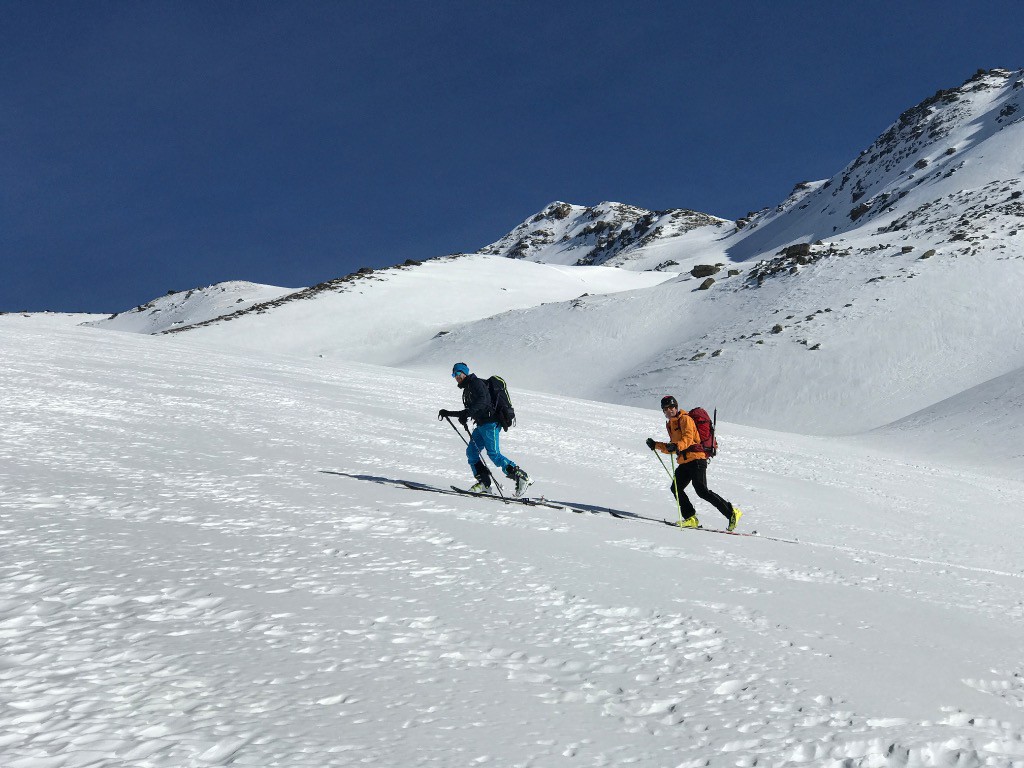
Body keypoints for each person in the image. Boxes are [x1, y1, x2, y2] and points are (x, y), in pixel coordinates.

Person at [646, 395, 742, 531]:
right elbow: (673, 446)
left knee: (702, 491)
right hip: (685, 461)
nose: (669, 410)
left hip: (697, 459)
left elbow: (688, 439)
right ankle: (691, 518)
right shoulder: (671, 424)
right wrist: (656, 445)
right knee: (676, 489)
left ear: (676, 407)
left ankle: (732, 512)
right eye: (665, 409)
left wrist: (677, 446)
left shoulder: (685, 419)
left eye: (671, 407)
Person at [438, 362, 533, 497]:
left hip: (491, 424)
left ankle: (522, 477)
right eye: (454, 375)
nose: (456, 377)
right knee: (471, 453)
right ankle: (484, 483)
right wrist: (449, 413)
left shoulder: (475, 383)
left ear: (464, 373)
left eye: (458, 374)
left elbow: (483, 401)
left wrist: (468, 413)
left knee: (494, 454)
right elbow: (470, 410)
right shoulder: (468, 389)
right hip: (481, 425)